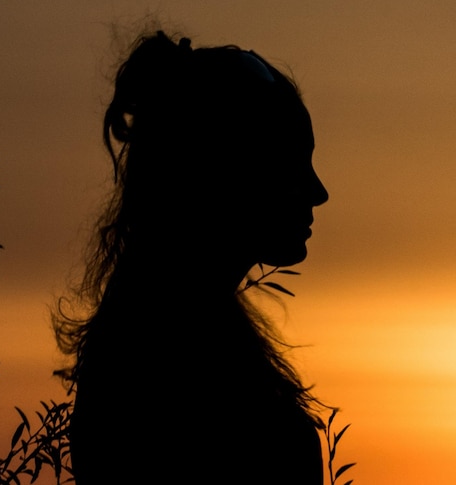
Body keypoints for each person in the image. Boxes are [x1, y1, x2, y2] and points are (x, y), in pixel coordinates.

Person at [53, 30, 329, 484]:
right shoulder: (165, 365)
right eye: (295, 163)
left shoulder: (153, 337)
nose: (318, 192)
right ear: (230, 168)